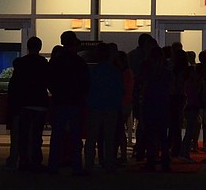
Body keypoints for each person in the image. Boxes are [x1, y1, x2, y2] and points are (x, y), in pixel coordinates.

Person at [47, 31, 90, 176]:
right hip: (75, 102)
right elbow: (85, 83)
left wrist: (57, 93)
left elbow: (50, 80)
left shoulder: (56, 61)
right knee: (75, 136)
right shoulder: (79, 62)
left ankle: (53, 165)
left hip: (59, 101)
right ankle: (76, 165)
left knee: (57, 135)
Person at [7, 36, 49, 172]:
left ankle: (24, 161)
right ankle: (36, 161)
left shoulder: (21, 63)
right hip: (40, 103)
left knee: (24, 135)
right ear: (40, 47)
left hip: (24, 104)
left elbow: (15, 85)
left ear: (27, 47)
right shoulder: (44, 64)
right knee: (37, 135)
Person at [85, 42, 123, 174]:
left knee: (92, 138)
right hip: (110, 108)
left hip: (95, 107)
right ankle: (109, 164)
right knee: (109, 138)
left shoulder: (93, 71)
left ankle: (89, 164)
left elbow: (88, 90)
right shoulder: (114, 72)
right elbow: (118, 91)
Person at [139, 46, 173, 171]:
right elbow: (170, 88)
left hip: (150, 103)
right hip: (162, 103)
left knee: (150, 134)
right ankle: (165, 162)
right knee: (163, 134)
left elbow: (143, 87)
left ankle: (151, 161)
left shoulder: (147, 71)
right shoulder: (166, 72)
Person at [128, 33, 157, 161]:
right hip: (144, 94)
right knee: (145, 122)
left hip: (137, 93)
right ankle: (142, 148)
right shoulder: (146, 59)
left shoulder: (131, 56)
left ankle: (140, 148)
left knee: (142, 121)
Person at [180, 51, 203, 160]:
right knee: (190, 130)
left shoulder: (187, 82)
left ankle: (185, 151)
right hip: (191, 106)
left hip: (192, 106)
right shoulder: (190, 83)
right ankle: (185, 152)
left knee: (191, 129)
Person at [168, 46, 189, 158]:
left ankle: (174, 147)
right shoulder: (185, 70)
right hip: (181, 97)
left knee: (174, 123)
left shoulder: (174, 70)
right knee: (177, 123)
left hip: (175, 97)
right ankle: (176, 147)